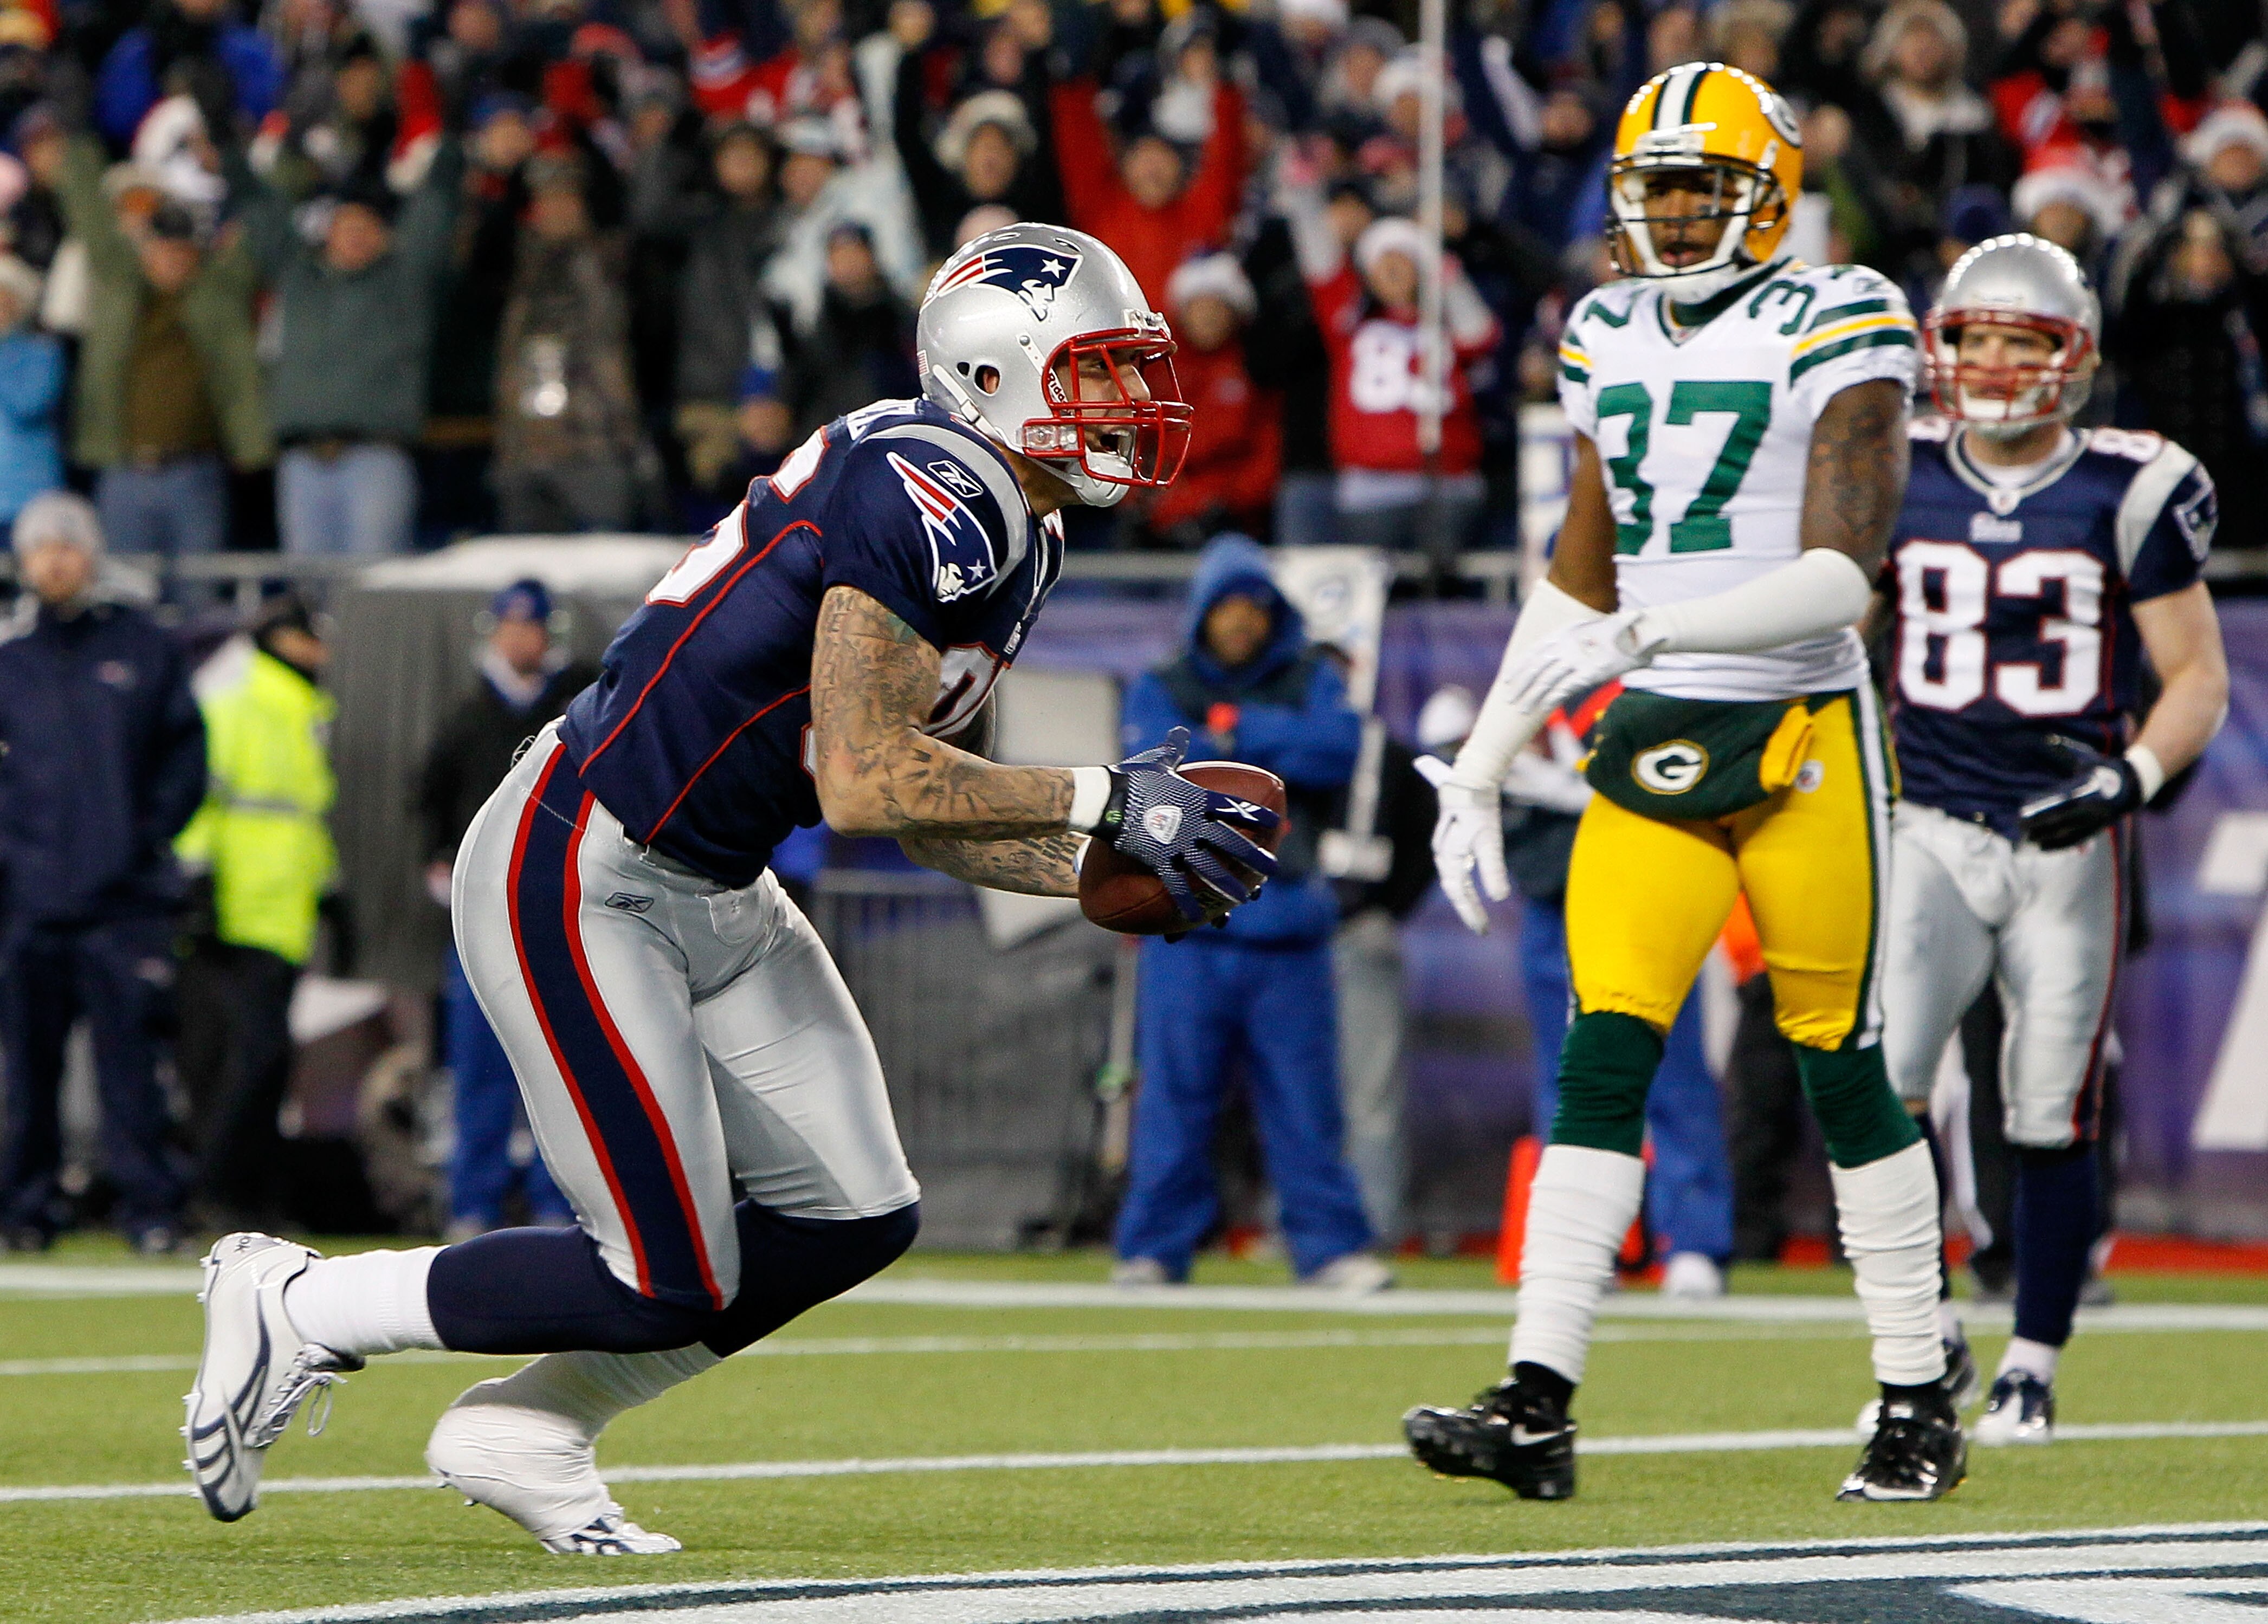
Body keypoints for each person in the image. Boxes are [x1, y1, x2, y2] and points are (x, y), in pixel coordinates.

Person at [181, 224, 1277, 1555]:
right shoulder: (931, 488)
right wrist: (1105, 799)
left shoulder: (1014, 525)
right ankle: (297, 1301)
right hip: (585, 860)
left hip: (713, 882)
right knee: (662, 1271)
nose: (1129, 405)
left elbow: (928, 807)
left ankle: (529, 1424)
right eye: (1097, 372)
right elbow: (875, 782)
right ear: (990, 379)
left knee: (854, 1213)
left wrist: (1109, 865)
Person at [1405, 63, 1960, 1505]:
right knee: (1602, 1050)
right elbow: (1582, 566)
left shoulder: (1843, 310)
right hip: (1656, 731)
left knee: (1842, 1061)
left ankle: (1916, 1390)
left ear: (1769, 193)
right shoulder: (1600, 327)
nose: (1665, 211)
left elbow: (1844, 572)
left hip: (1803, 735)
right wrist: (1476, 763)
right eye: (1649, 188)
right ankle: (1537, 1397)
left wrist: (1666, 625)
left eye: (1695, 185)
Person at [1877, 234, 2226, 1445]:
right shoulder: (1893, 464)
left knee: (2045, 1106)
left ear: (2069, 358)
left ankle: (2032, 1354)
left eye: (2023, 341)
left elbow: (2195, 677)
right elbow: (1842, 634)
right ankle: (1920, 1323)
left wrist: (2127, 777)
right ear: (1943, 346)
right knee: (1882, 1091)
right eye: (1975, 339)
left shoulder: (2128, 484)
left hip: (2062, 832)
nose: (1994, 363)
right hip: (1927, 819)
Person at [1112, 534, 1379, 1290]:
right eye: (1225, 607)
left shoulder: (1308, 676)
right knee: (1173, 1101)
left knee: (1306, 1106)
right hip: (1188, 922)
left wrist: (1239, 735)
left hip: (1287, 921)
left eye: (1252, 607)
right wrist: (1259, 751)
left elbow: (1339, 749)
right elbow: (1152, 771)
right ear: (1202, 613)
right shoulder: (1164, 682)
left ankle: (1330, 1248)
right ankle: (1154, 1248)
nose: (1239, 622)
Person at [0, 494, 204, 1254]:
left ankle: (150, 1209)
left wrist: (141, 841)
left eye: (68, 544)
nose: (55, 559)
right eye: (40, 547)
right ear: (23, 562)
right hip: (30, 905)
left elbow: (185, 760)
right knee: (29, 1076)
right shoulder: (10, 663)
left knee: (133, 1075)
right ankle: (26, 1210)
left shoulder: (144, 648)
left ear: (93, 554)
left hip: (123, 903)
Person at [417, 579, 597, 1239]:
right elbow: (430, 802)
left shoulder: (575, 707)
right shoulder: (469, 718)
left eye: (533, 628)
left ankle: (561, 1202)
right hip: (482, 919)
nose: (522, 640)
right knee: (481, 1072)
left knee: (562, 1069)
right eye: (512, 627)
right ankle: (476, 1202)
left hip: (556, 910)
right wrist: (440, 860)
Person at [175, 593, 337, 1228]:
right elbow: (203, 798)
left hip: (280, 910)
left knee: (262, 1063)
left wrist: (327, 889)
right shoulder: (240, 703)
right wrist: (198, 882)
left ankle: (244, 1195)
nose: (320, 649)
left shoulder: (303, 708)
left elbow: (304, 814)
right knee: (239, 1062)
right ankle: (217, 1191)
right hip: (240, 910)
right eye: (308, 635)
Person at [54, 133, 269, 564]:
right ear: (145, 249)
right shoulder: (120, 288)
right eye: (162, 248)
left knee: (199, 596)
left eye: (182, 250)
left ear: (197, 254)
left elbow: (264, 220)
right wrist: (79, 136)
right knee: (125, 589)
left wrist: (230, 148)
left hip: (197, 469)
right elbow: (90, 216)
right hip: (123, 469)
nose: (171, 259)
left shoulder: (217, 294)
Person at [238, 146, 463, 556]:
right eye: (347, 223)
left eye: (370, 225)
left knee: (373, 589)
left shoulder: (404, 283)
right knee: (308, 594)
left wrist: (451, 139)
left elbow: (435, 210)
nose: (357, 234)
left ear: (388, 235)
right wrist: (232, 142)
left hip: (375, 457)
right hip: (302, 461)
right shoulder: (298, 277)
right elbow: (258, 210)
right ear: (329, 230)